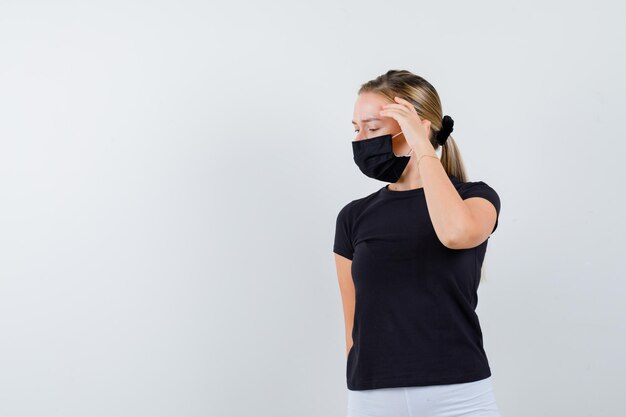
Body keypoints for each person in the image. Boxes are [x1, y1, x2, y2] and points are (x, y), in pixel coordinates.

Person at [333, 70, 503, 417]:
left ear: (417, 126)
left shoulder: (475, 199)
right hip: (373, 396)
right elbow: (352, 322)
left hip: (459, 395)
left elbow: (456, 234)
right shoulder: (353, 216)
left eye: (374, 128)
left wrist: (423, 149)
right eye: (356, 128)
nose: (361, 139)